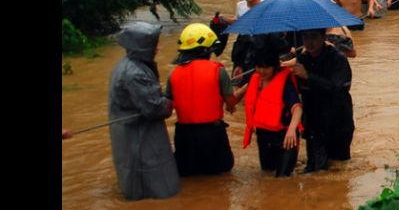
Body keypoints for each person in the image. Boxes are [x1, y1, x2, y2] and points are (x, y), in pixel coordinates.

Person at [108, 22, 179, 201]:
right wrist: (170, 101)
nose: (158, 48)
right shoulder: (135, 73)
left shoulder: (127, 65)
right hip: (139, 132)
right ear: (143, 47)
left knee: (134, 170)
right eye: (155, 45)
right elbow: (155, 108)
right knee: (154, 177)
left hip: (128, 128)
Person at [166, 23, 241, 176]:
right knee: (221, 172)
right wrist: (248, 86)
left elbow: (166, 106)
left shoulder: (173, 74)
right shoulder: (218, 71)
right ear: (207, 50)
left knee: (188, 176)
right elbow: (231, 103)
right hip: (212, 135)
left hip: (184, 136)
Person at [289, 28, 354, 172]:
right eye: (305, 37)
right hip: (314, 123)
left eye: (314, 37)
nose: (309, 42)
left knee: (339, 169)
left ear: (324, 37)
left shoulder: (338, 59)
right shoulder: (302, 60)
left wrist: (308, 76)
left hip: (338, 122)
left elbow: (338, 89)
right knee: (314, 170)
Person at [243, 45, 303, 177]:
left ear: (275, 66)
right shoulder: (255, 79)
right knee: (266, 175)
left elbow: (297, 109)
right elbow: (244, 94)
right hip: (264, 137)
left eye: (266, 67)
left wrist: (292, 130)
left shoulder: (285, 82)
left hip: (286, 138)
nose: (262, 71)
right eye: (259, 67)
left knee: (282, 180)